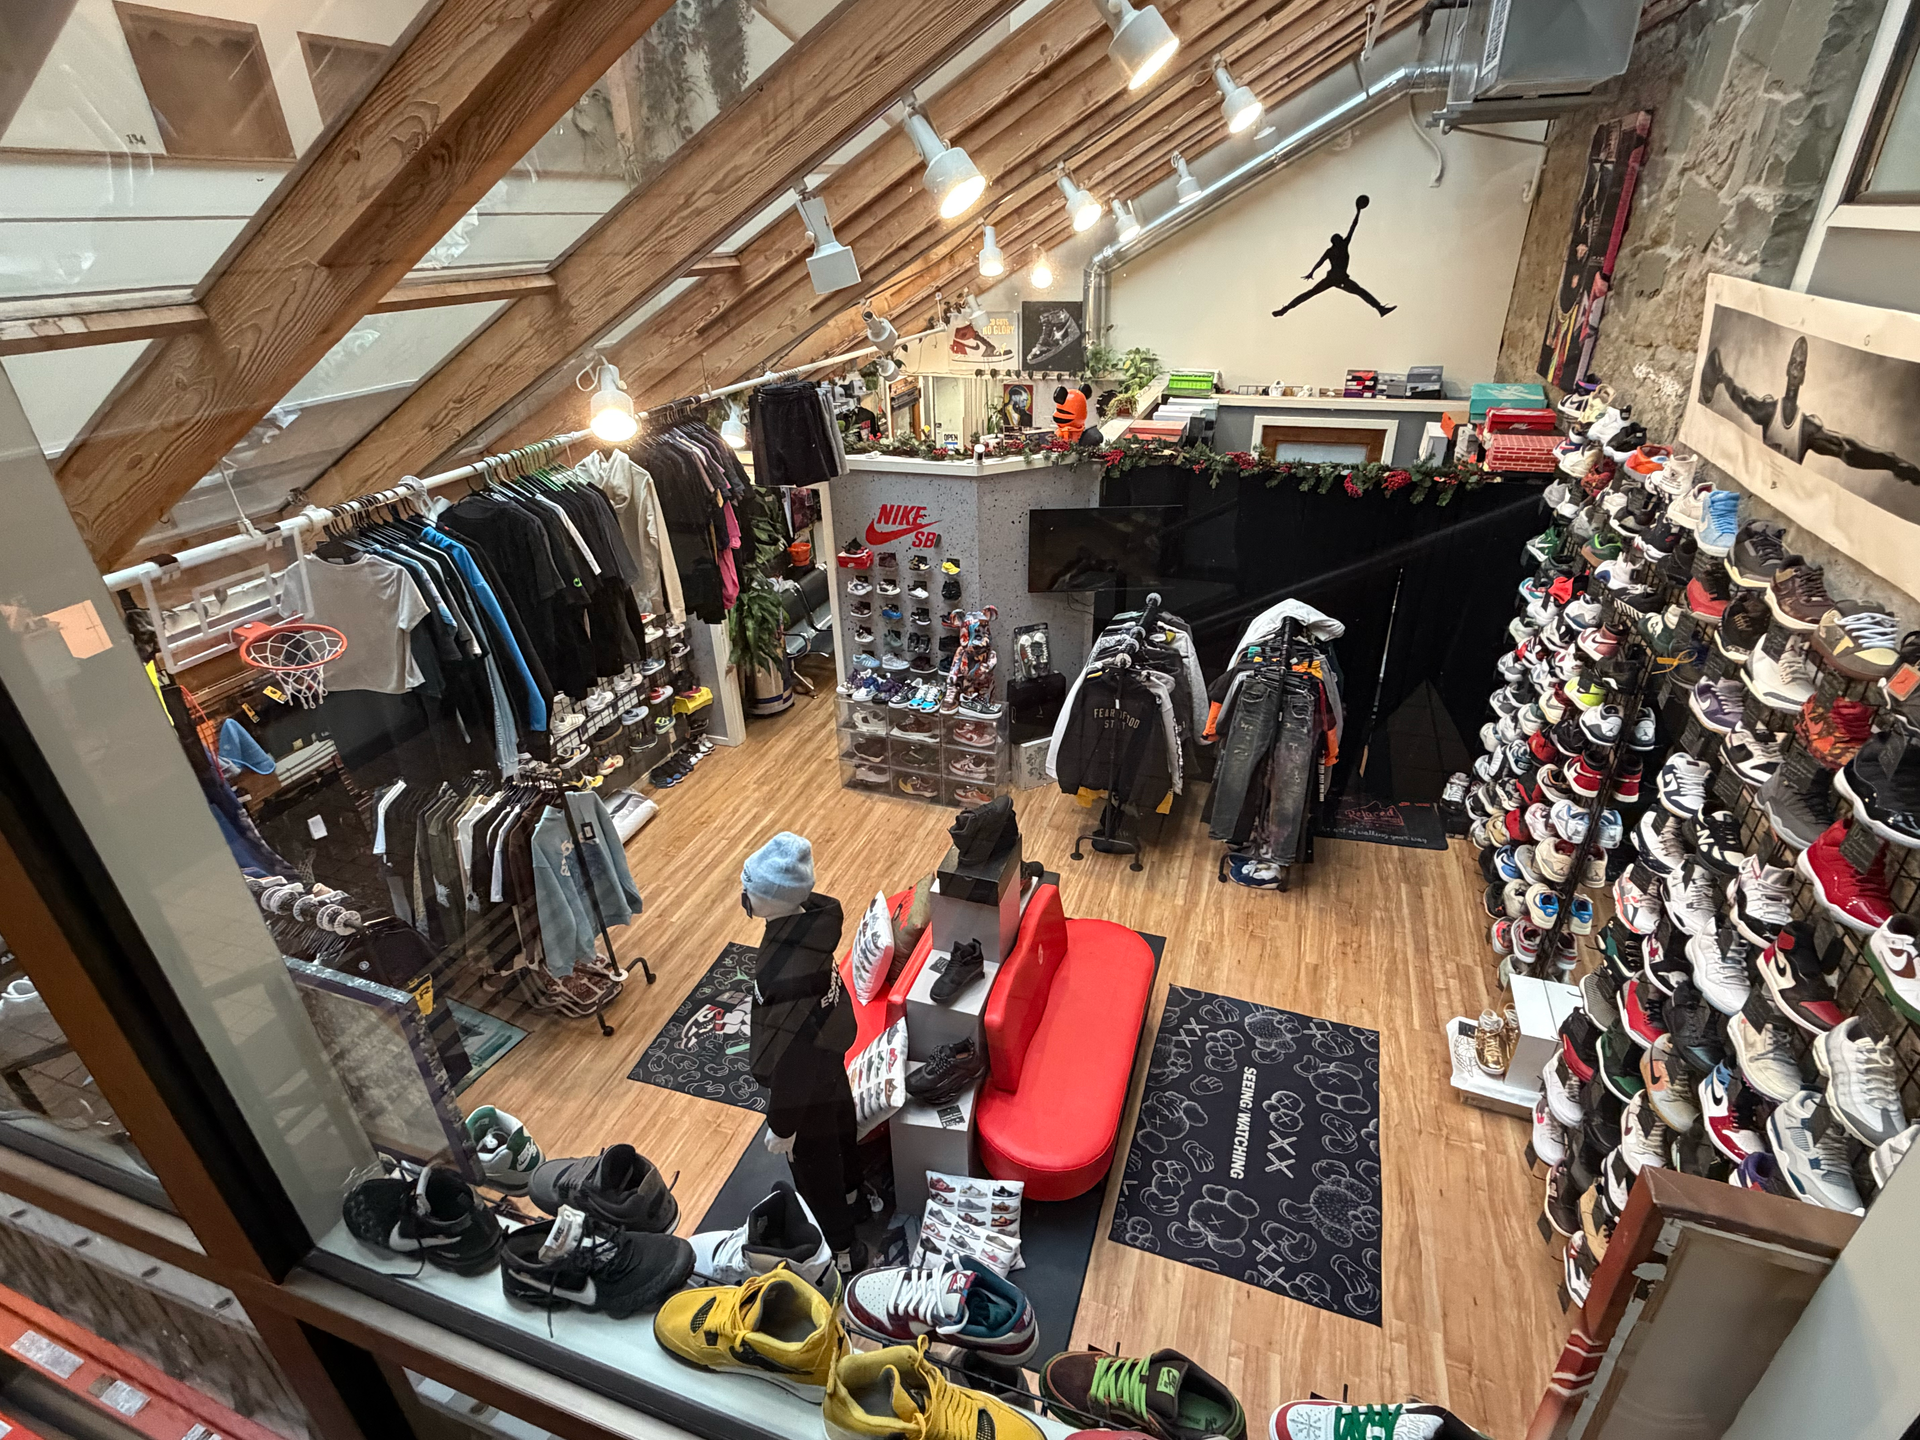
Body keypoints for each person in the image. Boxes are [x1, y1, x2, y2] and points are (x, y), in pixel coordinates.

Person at [741, 832, 867, 1275]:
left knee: (814, 1170)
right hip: (831, 1056)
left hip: (804, 1083)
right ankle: (857, 1196)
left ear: (768, 899)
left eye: (749, 888)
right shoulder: (815, 921)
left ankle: (842, 1248)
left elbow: (790, 1056)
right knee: (843, 1130)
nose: (744, 895)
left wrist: (782, 1124)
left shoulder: (784, 974)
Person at [1698, 335, 1920, 485]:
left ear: (1803, 375)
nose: (1796, 369)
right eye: (1794, 363)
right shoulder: (1768, 411)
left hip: (1784, 488)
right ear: (1787, 369)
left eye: (1801, 366)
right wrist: (1721, 375)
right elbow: (1745, 400)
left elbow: (1845, 447)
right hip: (1758, 479)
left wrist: (1891, 462)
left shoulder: (1807, 429)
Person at [1272, 194, 1397, 319]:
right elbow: (1352, 227)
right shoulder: (1341, 247)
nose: (1342, 238)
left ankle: (1380, 309)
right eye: (1340, 238)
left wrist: (1312, 272)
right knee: (1358, 291)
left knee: (1312, 293)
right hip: (1337, 278)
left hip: (1337, 278)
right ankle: (1380, 309)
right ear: (1336, 241)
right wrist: (1358, 212)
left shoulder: (1336, 248)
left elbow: (1352, 227)